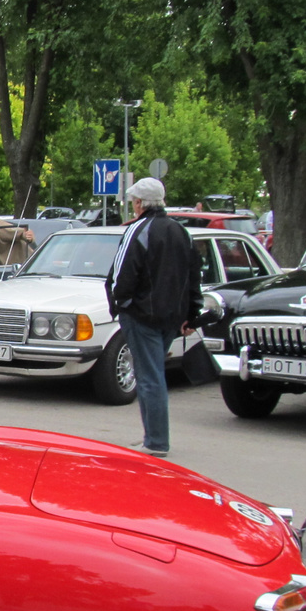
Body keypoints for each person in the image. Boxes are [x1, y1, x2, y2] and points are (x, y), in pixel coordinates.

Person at [107, 177, 202, 458]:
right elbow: (194, 275)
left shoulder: (138, 230)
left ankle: (156, 441)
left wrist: (120, 305)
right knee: (153, 374)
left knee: (149, 377)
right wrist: (191, 314)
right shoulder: (181, 232)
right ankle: (152, 437)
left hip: (142, 315)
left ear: (139, 203)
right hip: (171, 317)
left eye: (133, 201)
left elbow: (121, 275)